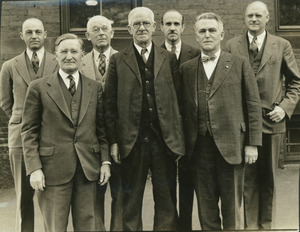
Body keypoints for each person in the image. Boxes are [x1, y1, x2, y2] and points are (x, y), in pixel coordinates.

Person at [105, 6, 185, 231]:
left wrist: (177, 139)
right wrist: (113, 142)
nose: (141, 28)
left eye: (146, 24)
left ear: (153, 27)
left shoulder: (168, 59)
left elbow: (178, 101)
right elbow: (109, 105)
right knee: (131, 201)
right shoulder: (118, 60)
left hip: (164, 142)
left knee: (167, 199)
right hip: (132, 142)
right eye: (136, 24)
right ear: (129, 29)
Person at [180, 12, 262, 230]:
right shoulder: (186, 69)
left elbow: (253, 105)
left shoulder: (239, 64)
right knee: (206, 210)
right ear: (196, 36)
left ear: (222, 34)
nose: (207, 35)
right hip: (198, 149)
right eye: (202, 31)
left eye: (212, 30)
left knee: (232, 210)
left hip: (232, 146)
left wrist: (253, 143)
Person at [21, 33, 111, 232]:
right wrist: (34, 168)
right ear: (56, 55)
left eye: (74, 51)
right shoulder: (38, 88)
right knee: (55, 227)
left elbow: (102, 130)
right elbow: (28, 131)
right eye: (64, 51)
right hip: (51, 171)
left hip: (88, 170)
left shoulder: (94, 87)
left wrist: (105, 162)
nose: (69, 56)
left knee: (90, 227)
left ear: (82, 55)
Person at [225, 1, 300, 229]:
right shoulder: (231, 45)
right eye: (250, 16)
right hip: (242, 125)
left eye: (259, 15)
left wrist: (284, 108)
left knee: (268, 180)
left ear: (267, 18)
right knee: (246, 181)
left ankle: (266, 226)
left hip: (271, 122)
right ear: (244, 18)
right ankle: (249, 227)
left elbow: (296, 82)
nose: (254, 19)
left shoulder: (282, 44)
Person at [0, 18, 58, 232]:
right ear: (21, 36)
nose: (34, 35)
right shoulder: (9, 66)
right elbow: (6, 102)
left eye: (38, 31)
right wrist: (24, 122)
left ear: (45, 35)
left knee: (52, 196)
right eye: (29, 32)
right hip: (20, 140)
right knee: (24, 197)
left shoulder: (57, 62)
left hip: (52, 138)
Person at [80, 15, 121, 231]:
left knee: (121, 194)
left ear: (112, 33)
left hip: (120, 140)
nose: (101, 32)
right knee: (94, 195)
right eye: (95, 29)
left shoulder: (124, 59)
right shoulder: (79, 62)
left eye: (105, 28)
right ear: (88, 36)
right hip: (91, 141)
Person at [160, 9, 200, 231]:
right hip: (164, 131)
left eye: (176, 24)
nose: (172, 28)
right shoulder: (155, 54)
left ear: (184, 27)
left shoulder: (195, 53)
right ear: (162, 27)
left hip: (189, 131)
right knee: (166, 186)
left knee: (187, 184)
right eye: (168, 24)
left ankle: (185, 226)